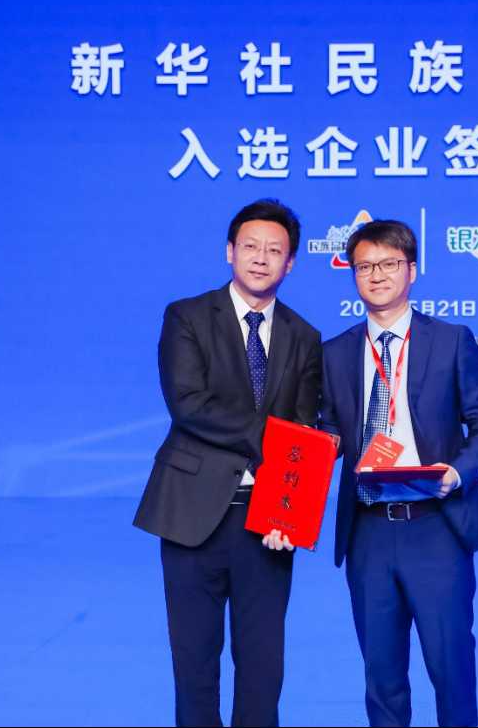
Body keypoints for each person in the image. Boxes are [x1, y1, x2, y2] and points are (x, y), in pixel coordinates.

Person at [134, 198, 321, 727]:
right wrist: (272, 437)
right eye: (250, 246)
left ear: (290, 263)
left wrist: (292, 513)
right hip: (191, 515)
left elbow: (304, 429)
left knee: (263, 668)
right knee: (194, 664)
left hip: (267, 523)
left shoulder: (304, 336)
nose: (261, 258)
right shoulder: (187, 316)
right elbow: (189, 405)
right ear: (229, 252)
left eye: (274, 250)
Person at [318, 219, 478, 727]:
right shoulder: (335, 352)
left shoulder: (451, 340)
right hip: (368, 533)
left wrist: (457, 473)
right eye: (364, 267)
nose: (376, 275)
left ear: (412, 270)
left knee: (451, 669)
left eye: (388, 264)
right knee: (382, 678)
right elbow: (328, 430)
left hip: (436, 525)